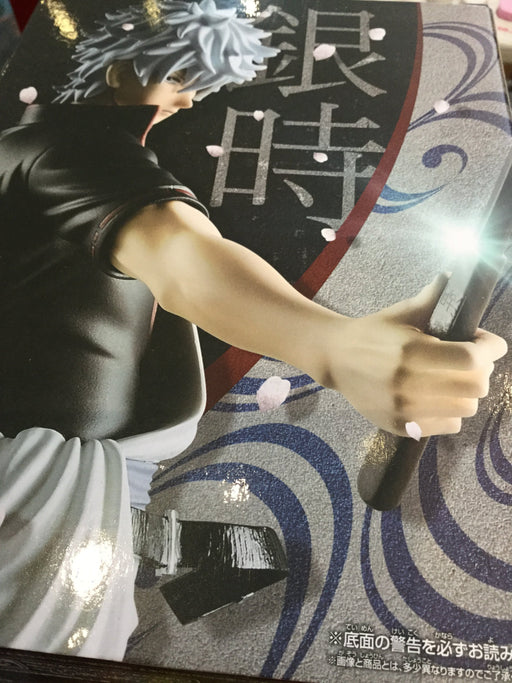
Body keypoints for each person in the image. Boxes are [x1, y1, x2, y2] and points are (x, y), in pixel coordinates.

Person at [0, 0, 506, 660]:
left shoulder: (55, 146)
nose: (187, 101)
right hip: (43, 483)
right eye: (180, 78)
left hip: (113, 480)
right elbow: (182, 259)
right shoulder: (73, 148)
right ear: (121, 71)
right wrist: (335, 347)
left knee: (260, 566)